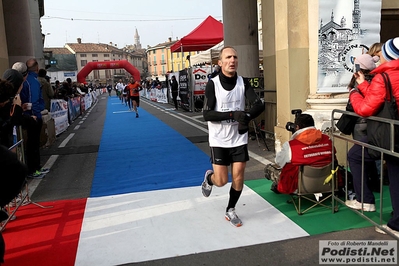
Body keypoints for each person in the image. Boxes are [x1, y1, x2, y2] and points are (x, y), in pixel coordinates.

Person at [201, 46, 265, 227]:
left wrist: (246, 116)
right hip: (219, 139)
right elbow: (207, 115)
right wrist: (232, 115)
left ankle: (231, 209)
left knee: (238, 177)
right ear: (220, 63)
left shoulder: (243, 82)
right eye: (228, 57)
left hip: (238, 138)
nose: (232, 60)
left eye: (235, 57)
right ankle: (209, 179)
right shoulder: (212, 84)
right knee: (221, 181)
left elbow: (258, 104)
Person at [347, 37, 399, 236]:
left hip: (392, 134)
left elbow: (366, 108)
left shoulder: (385, 77)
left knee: (394, 175)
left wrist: (354, 93)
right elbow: (383, 97)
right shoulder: (385, 78)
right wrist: (362, 85)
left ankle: (394, 223)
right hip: (393, 131)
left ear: (388, 56)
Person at [266, 114, 334, 194]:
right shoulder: (328, 140)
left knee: (269, 168)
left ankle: (279, 186)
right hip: (328, 184)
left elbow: (279, 162)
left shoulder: (291, 146)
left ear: (297, 127)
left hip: (299, 187)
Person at [19, 59, 48, 178]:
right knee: (33, 144)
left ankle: (36, 167)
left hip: (28, 115)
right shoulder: (32, 82)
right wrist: (35, 116)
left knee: (33, 144)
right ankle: (34, 169)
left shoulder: (26, 81)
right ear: (37, 68)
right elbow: (34, 100)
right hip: (33, 116)